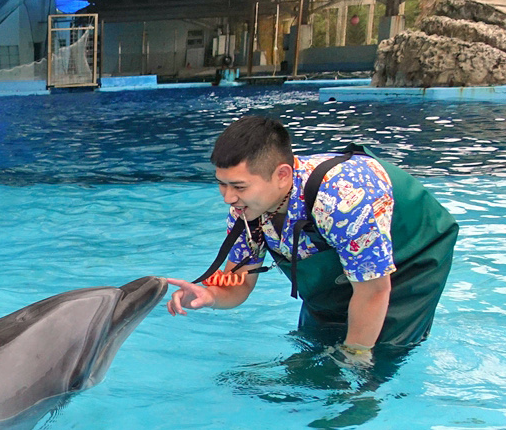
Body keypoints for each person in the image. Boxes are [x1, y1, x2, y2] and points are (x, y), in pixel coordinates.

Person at [166, 115, 459, 362]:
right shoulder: (245, 210)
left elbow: (374, 292)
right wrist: (211, 296)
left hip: (413, 257)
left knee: (376, 357)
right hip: (349, 272)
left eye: (239, 186)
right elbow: (239, 281)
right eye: (222, 184)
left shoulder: (340, 201)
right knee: (311, 353)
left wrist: (355, 357)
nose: (228, 198)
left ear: (282, 175)